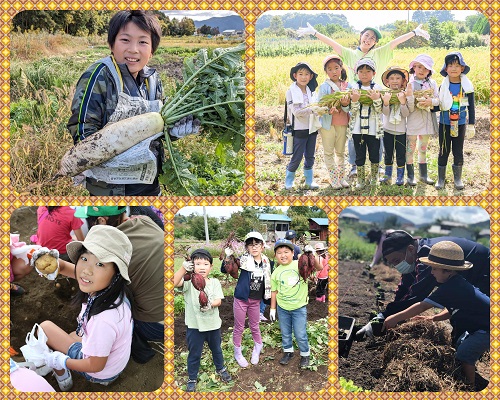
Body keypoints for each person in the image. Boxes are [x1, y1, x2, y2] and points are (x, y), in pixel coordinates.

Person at [67, 10, 198, 196]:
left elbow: (158, 130)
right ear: (111, 44)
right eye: (125, 40)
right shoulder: (99, 76)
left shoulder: (153, 80)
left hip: (149, 183)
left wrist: (173, 131)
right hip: (111, 189)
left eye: (143, 42)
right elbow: (82, 131)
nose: (133, 49)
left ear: (152, 50)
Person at [297, 23, 430, 177]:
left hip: (375, 97)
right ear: (361, 36)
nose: (369, 39)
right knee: (355, 132)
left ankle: (378, 165)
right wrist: (315, 33)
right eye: (367, 35)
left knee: (377, 132)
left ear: (375, 43)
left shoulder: (379, 53)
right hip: (356, 98)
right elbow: (333, 44)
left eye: (372, 38)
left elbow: (395, 42)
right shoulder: (351, 54)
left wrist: (414, 32)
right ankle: (354, 165)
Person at [36, 225, 134, 390]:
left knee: (44, 329)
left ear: (116, 272)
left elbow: (95, 366)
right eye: (85, 258)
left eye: (100, 264)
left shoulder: (103, 320)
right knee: (72, 335)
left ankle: (62, 374)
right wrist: (52, 263)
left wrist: (62, 361)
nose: (87, 270)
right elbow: (71, 269)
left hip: (100, 373)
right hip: (113, 361)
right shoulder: (115, 292)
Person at [383, 241, 489, 390]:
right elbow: (452, 310)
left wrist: (394, 318)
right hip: (482, 327)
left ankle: (469, 388)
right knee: (459, 347)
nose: (431, 272)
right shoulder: (457, 284)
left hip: (487, 330)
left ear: (447, 271)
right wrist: (433, 318)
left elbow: (422, 305)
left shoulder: (451, 287)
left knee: (464, 356)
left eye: (434, 268)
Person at [69, 206, 164, 364]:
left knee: (108, 299)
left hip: (155, 326)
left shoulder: (121, 254)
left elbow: (95, 282)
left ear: (101, 221)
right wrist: (61, 267)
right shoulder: (144, 221)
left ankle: (132, 342)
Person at [356, 230, 490, 340]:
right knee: (458, 311)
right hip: (469, 276)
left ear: (410, 249)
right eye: (393, 263)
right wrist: (386, 314)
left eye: (397, 260)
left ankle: (467, 355)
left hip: (485, 270)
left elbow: (417, 295)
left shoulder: (430, 257)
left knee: (467, 315)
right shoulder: (415, 254)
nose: (396, 266)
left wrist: (388, 316)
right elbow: (405, 286)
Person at [173, 249, 232, 392]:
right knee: (194, 353)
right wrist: (182, 268)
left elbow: (218, 300)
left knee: (217, 349)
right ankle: (192, 377)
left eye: (206, 264)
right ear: (192, 265)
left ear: (211, 267)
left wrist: (209, 304)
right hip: (195, 327)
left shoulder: (215, 282)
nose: (202, 267)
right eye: (198, 263)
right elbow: (173, 282)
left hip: (213, 325)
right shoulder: (188, 282)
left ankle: (221, 368)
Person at [221, 232, 272, 367]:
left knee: (255, 325)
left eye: (257, 244)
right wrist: (227, 256)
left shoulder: (267, 262)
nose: (254, 247)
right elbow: (223, 269)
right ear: (247, 248)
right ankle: (237, 352)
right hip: (241, 300)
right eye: (250, 245)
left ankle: (257, 348)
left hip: (256, 301)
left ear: (262, 246)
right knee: (239, 327)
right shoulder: (241, 260)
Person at [270, 240, 323, 368]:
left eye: (286, 252)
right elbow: (274, 291)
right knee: (285, 332)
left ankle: (305, 354)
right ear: (275, 255)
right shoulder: (276, 272)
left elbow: (319, 268)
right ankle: (288, 352)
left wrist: (312, 253)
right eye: (279, 253)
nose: (283, 255)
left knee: (300, 333)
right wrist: (273, 308)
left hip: (299, 308)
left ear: (293, 253)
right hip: (282, 308)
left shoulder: (299, 264)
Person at [435, 52, 475, 190]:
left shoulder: (467, 87)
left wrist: (471, 124)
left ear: (462, 68)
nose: (453, 68)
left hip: (461, 123)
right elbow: (437, 106)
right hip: (445, 123)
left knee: (458, 150)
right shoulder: (443, 87)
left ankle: (457, 179)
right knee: (443, 150)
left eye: (457, 65)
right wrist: (428, 103)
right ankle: (441, 179)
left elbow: (472, 106)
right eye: (450, 65)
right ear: (445, 69)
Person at [284, 61, 323, 190]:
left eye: (307, 74)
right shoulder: (290, 92)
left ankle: (309, 181)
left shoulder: (311, 92)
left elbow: (316, 109)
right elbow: (297, 112)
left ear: (311, 77)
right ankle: (289, 182)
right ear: (295, 75)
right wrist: (314, 109)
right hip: (299, 130)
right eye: (301, 74)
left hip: (312, 128)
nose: (304, 77)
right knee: (297, 156)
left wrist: (321, 110)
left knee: (310, 156)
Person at [348, 58, 384, 189]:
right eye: (361, 71)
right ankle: (361, 180)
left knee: (374, 154)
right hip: (357, 129)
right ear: (357, 73)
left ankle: (374, 178)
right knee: (360, 154)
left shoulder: (377, 88)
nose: (364, 74)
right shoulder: (354, 88)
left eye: (368, 71)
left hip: (373, 129)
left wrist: (376, 100)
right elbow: (352, 110)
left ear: (374, 73)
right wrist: (355, 101)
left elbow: (380, 110)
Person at [317, 54, 352, 189]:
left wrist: (344, 104)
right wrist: (327, 110)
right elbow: (320, 106)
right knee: (329, 152)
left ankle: (341, 178)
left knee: (340, 152)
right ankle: (333, 179)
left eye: (336, 68)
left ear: (341, 68)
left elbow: (348, 107)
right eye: (330, 69)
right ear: (326, 71)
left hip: (342, 123)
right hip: (327, 124)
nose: (333, 71)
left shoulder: (347, 86)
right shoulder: (324, 86)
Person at [405, 54, 439, 185]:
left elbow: (438, 100)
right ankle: (410, 176)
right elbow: (407, 104)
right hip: (413, 120)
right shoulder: (410, 84)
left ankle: (423, 175)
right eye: (419, 67)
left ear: (429, 71)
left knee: (423, 147)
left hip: (427, 121)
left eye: (425, 68)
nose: (421, 70)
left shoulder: (433, 83)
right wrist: (414, 99)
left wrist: (431, 101)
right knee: (411, 148)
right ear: (413, 67)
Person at [380, 66, 414, 185]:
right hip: (387, 130)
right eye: (392, 78)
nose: (395, 80)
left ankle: (400, 177)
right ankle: (387, 175)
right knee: (388, 153)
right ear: (387, 81)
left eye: (398, 78)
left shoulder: (404, 95)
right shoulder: (385, 94)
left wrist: (403, 102)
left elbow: (406, 114)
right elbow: (385, 113)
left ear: (403, 81)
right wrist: (386, 102)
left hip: (401, 131)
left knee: (400, 154)